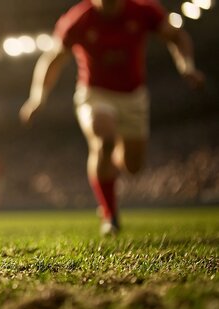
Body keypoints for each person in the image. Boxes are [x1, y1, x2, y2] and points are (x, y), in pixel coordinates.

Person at [19, 0, 204, 235]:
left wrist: (187, 66)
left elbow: (177, 37)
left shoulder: (143, 11)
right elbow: (53, 59)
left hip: (133, 97)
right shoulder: (79, 19)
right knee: (104, 140)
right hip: (94, 94)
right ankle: (110, 215)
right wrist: (38, 98)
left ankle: (109, 168)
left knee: (133, 166)